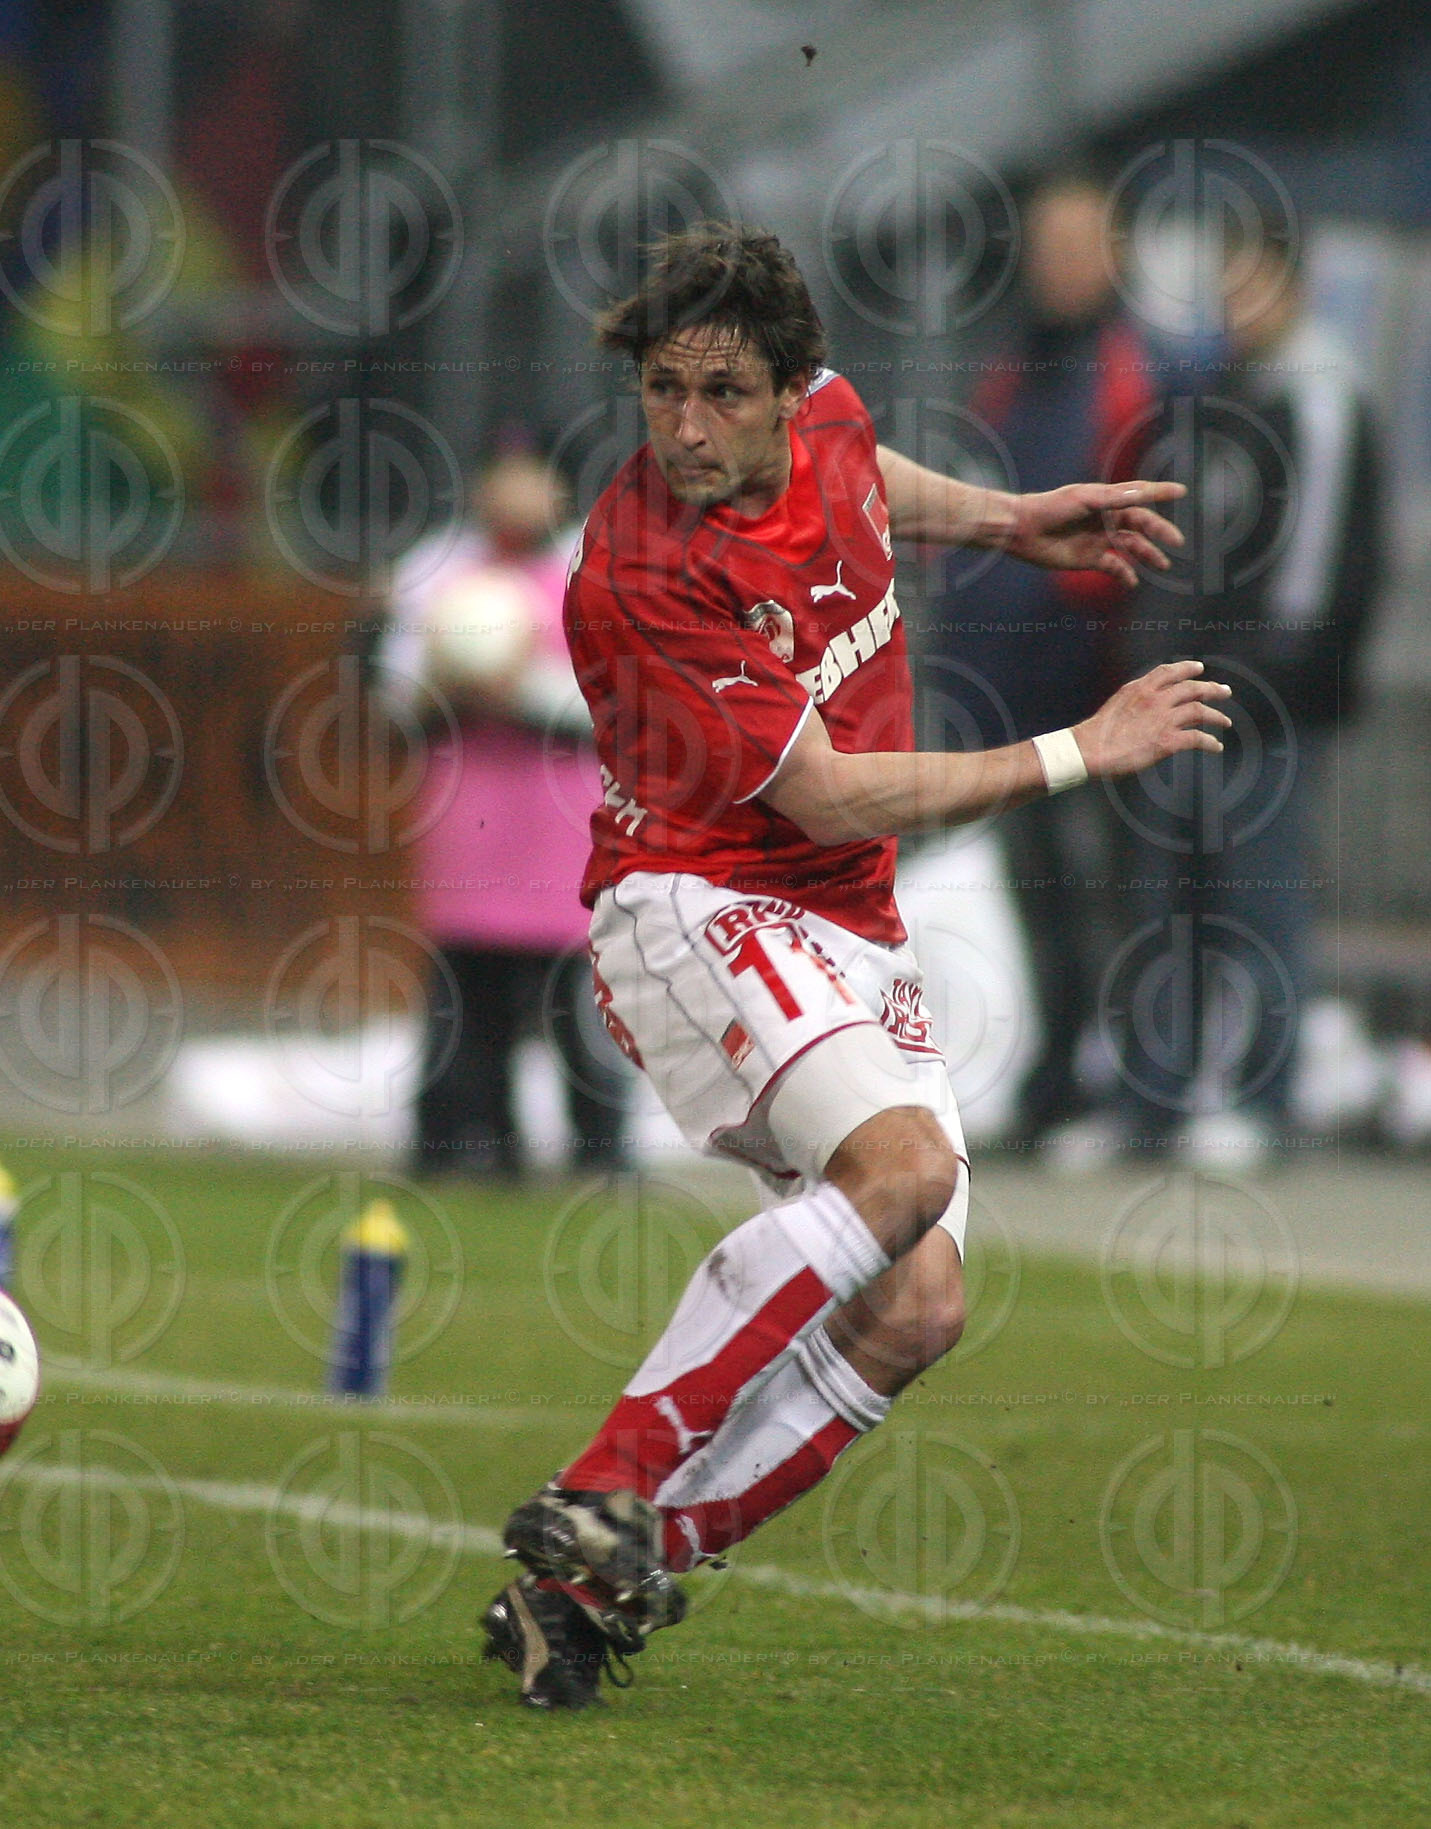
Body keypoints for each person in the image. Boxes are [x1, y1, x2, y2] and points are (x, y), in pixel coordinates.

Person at [478, 225, 1228, 1708]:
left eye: (719, 393)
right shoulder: (637, 570)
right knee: (899, 1175)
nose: (684, 426)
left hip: (839, 913)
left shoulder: (824, 417)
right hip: (690, 899)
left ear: (784, 386)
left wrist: (1013, 520)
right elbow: (822, 791)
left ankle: (602, 1574)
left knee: (919, 1306)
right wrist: (1084, 746)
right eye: (659, 391)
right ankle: (603, 1480)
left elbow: (859, 472)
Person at [1110, 213, 1383, 1168]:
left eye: (1252, 286)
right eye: (1223, 290)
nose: (1233, 307)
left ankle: (1263, 1104)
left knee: (1257, 900)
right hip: (1178, 697)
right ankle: (1147, 1102)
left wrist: (1261, 681)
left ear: (1293, 289)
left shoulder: (1320, 395)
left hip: (1262, 706)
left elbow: (1313, 573)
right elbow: (1174, 552)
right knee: (1166, 903)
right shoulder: (1214, 397)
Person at [926, 173, 1160, 1154]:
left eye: (1078, 243)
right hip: (1004, 694)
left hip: (1095, 692)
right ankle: (1055, 1075)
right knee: (1039, 896)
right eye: (1046, 244)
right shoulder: (1011, 370)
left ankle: (1119, 1083)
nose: (1058, 263)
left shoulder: (1134, 371)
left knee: (1105, 893)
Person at [376, 445, 634, 1180]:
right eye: (500, 469)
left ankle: (599, 1153)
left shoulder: (597, 571)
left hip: (562, 833)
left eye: (527, 472)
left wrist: (521, 693)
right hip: (468, 823)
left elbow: (622, 703)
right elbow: (394, 698)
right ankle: (465, 1146)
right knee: (466, 1001)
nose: (511, 488)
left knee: (577, 1006)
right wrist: (440, 686)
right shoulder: (435, 570)